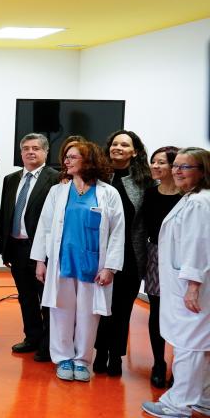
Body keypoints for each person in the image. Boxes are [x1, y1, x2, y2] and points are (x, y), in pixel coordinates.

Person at [31, 139, 125, 383]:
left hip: (93, 266)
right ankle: (63, 357)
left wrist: (110, 267)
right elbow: (45, 226)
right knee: (61, 311)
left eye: (72, 156)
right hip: (62, 262)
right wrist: (41, 260)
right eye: (66, 156)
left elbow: (117, 232)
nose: (66, 161)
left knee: (87, 315)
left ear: (89, 160)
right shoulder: (58, 191)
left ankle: (82, 361)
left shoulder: (109, 193)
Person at [142, 147, 210, 418]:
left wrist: (193, 285)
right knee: (201, 344)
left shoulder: (198, 203)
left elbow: (198, 245)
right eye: (176, 166)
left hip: (192, 286)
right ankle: (203, 399)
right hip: (188, 283)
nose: (177, 171)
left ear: (203, 172)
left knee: (189, 344)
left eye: (186, 167)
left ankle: (178, 405)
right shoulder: (194, 198)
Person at [94, 130, 153, 377]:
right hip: (99, 252)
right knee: (100, 305)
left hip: (130, 253)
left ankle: (116, 356)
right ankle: (99, 351)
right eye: (115, 143)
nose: (118, 147)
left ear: (135, 151)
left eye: (124, 144)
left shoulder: (144, 181)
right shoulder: (97, 177)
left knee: (121, 307)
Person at [0, 133, 59, 362]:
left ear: (45, 152)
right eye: (26, 148)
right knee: (26, 297)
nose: (30, 152)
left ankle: (48, 343)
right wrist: (4, 249)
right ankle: (32, 337)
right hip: (16, 246)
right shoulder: (11, 179)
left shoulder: (55, 179)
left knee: (46, 298)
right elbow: (6, 214)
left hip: (41, 250)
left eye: (36, 148)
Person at [141, 146, 181, 388]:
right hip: (155, 254)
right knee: (156, 310)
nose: (155, 166)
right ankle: (159, 363)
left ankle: (180, 366)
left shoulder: (187, 197)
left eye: (161, 163)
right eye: (153, 162)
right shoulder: (150, 194)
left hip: (180, 258)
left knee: (180, 314)